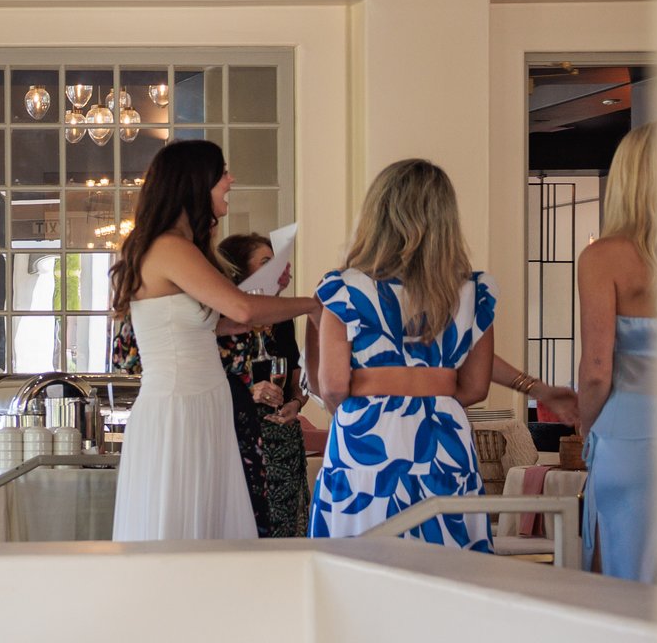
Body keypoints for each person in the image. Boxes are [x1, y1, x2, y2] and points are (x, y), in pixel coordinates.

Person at [109, 140, 320, 542]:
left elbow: (222, 322)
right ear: (195, 182)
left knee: (206, 526)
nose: (231, 179)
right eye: (222, 173)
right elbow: (242, 309)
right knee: (183, 531)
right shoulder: (169, 247)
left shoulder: (178, 247)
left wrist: (267, 299)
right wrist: (312, 304)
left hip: (203, 404)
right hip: (180, 408)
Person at [306, 158, 498, 549]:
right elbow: (476, 386)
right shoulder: (472, 291)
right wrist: (427, 394)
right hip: (444, 432)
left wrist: (374, 399)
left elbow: (333, 384)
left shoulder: (344, 288)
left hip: (367, 431)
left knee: (362, 553)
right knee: (447, 552)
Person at [576, 123, 657, 580]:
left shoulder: (604, 257)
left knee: (619, 579)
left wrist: (587, 425)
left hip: (626, 435)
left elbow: (595, 369)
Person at [219, 233, 310, 538]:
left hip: (282, 439)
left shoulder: (281, 320)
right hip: (239, 436)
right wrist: (250, 392)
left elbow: (297, 379)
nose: (277, 269)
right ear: (240, 270)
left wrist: (295, 403)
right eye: (266, 262)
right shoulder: (221, 320)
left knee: (284, 534)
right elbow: (210, 381)